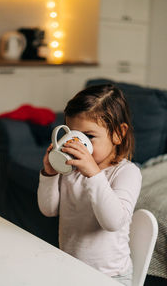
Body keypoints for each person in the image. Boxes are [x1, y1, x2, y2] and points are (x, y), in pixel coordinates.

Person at [37, 84, 142, 286]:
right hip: (69, 267)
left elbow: (113, 222)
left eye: (89, 136)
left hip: (110, 276)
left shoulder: (126, 173)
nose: (77, 145)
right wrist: (49, 174)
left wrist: (93, 174)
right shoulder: (70, 170)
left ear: (118, 134)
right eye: (73, 136)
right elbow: (49, 210)